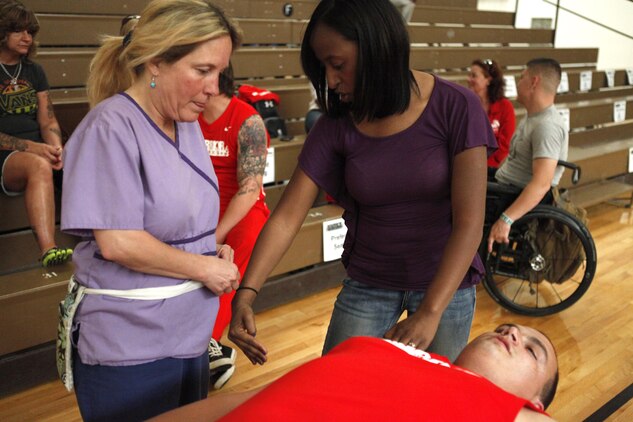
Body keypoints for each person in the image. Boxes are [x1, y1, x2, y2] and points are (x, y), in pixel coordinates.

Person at [229, 0, 496, 365]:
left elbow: (469, 224)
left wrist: (430, 312)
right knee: (336, 397)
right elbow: (287, 217)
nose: (331, 80)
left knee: (431, 405)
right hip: (369, 284)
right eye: (323, 68)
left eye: (337, 65)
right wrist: (247, 292)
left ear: (377, 48)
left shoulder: (457, 107)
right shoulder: (336, 125)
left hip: (445, 289)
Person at [60, 1, 242, 420]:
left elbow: (180, 222)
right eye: (202, 71)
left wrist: (209, 253)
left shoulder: (187, 125)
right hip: (132, 344)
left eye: (219, 73)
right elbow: (119, 242)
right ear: (156, 62)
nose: (214, 88)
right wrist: (203, 270)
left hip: (189, 334)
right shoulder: (109, 128)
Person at [151, 323, 559, 421]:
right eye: (509, 328)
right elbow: (254, 399)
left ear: (535, 405)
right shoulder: (399, 353)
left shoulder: (503, 412)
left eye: (532, 349)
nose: (513, 332)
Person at [198, 64, 270, 390]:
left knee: (241, 243)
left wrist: (216, 233)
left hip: (240, 211)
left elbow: (250, 188)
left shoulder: (247, 120)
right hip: (199, 206)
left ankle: (205, 343)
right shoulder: (185, 115)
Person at [0, 0, 72, 267]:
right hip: (7, 156)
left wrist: (56, 147)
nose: (27, 37)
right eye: (19, 30)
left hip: (37, 149)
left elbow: (47, 118)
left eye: (30, 32)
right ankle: (48, 249)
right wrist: (35, 149)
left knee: (81, 158)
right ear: (2, 32)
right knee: (39, 165)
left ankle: (105, 240)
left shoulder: (34, 71)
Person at [487, 58, 568, 253]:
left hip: (510, 196)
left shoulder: (547, 126)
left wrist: (506, 219)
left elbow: (541, 184)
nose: (517, 81)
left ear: (534, 82)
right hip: (505, 187)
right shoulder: (533, 117)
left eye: (522, 77)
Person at [468, 58, 516, 170]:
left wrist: (485, 166)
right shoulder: (465, 104)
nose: (468, 79)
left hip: (493, 169)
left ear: (488, 80)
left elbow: (505, 144)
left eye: (474, 76)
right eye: (469, 75)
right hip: (467, 165)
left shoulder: (505, 106)